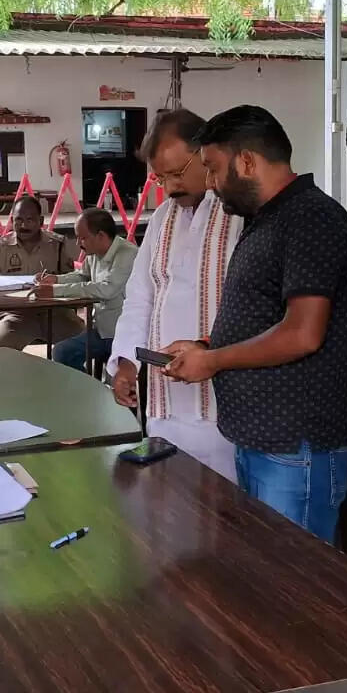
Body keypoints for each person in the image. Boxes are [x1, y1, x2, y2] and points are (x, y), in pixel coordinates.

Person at [160, 105, 347, 541]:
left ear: (247, 161)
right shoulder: (269, 218)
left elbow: (302, 333)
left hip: (297, 444)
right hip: (264, 439)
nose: (209, 183)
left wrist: (214, 361)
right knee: (268, 567)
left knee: (295, 572)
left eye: (214, 169)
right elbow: (264, 317)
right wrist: (205, 345)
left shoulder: (311, 218)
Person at [109, 109, 244, 481]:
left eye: (178, 173)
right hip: (165, 404)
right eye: (161, 177)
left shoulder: (239, 214)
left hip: (222, 407)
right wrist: (126, 363)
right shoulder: (162, 218)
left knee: (225, 505)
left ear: (206, 154)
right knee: (164, 497)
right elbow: (140, 297)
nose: (170, 188)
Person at [0, 195, 82, 349]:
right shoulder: (0, 247)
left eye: (30, 220)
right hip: (17, 314)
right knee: (2, 345)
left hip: (55, 312)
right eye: (19, 220)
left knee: (83, 340)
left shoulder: (57, 245)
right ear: (11, 221)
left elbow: (70, 278)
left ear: (41, 221)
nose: (24, 225)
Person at [43, 207, 138, 373]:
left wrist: (57, 291)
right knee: (62, 352)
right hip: (100, 330)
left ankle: (94, 386)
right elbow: (82, 276)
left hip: (122, 333)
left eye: (82, 238)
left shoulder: (127, 254)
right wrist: (55, 280)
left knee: (115, 378)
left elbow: (107, 289)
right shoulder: (93, 253)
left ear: (100, 236)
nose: (78, 244)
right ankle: (84, 387)